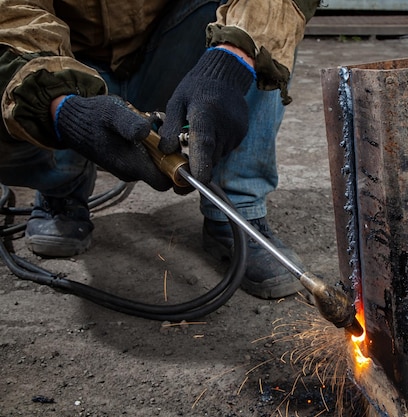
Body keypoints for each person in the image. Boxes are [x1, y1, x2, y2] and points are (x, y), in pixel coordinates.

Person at [0, 0, 320, 299]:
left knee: (263, 36)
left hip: (175, 52)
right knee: (19, 94)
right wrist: (62, 109)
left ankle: (236, 212)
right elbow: (12, 15)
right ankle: (62, 184)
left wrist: (232, 59)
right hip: (71, 66)